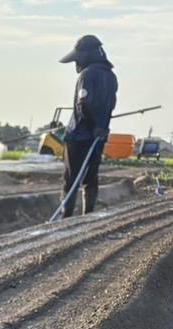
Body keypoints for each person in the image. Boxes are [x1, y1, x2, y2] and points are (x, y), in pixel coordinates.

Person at [58, 34, 118, 216]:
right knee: (90, 178)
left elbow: (84, 104)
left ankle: (65, 217)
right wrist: (100, 127)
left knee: (71, 179)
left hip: (79, 136)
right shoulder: (111, 76)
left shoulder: (87, 74)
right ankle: (88, 217)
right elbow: (111, 105)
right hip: (98, 137)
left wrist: (93, 125)